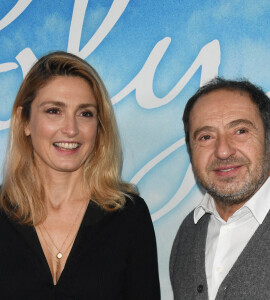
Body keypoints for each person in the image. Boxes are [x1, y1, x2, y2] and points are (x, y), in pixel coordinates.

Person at [0, 51, 160, 299]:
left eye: (85, 113)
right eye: (54, 111)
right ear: (25, 121)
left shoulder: (129, 216)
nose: (71, 129)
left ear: (99, 125)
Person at [169, 78, 270, 300]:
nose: (223, 151)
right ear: (191, 153)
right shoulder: (188, 234)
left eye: (240, 131)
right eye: (206, 137)